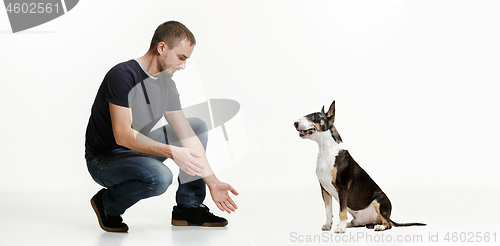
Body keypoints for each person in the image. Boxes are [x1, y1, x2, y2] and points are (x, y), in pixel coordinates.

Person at [85, 21, 238, 232]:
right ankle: (107, 204)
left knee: (197, 126)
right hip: (104, 159)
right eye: (181, 57)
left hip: (134, 151)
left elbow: (187, 135)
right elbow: (122, 136)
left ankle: (188, 207)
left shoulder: (167, 85)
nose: (183, 65)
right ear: (162, 48)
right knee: (159, 177)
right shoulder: (122, 76)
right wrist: (171, 152)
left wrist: (212, 181)